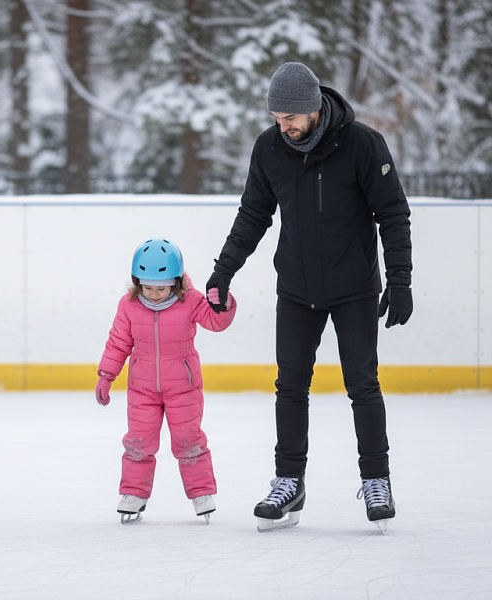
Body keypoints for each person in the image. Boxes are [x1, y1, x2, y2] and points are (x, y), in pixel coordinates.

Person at [206, 62, 412, 532]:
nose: (284, 127)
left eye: (290, 118)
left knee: (363, 385)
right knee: (290, 387)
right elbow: (252, 215)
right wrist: (223, 272)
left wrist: (400, 279)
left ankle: (376, 480)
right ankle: (288, 482)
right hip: (297, 289)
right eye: (277, 119)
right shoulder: (270, 148)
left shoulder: (362, 145)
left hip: (354, 288)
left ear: (314, 108)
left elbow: (393, 213)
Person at [96, 238, 236, 523]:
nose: (155, 294)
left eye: (161, 288)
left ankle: (201, 493)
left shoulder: (192, 301)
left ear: (177, 281)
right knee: (139, 441)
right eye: (147, 287)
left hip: (183, 387)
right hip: (142, 389)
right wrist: (106, 376)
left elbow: (216, 322)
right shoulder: (129, 305)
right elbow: (118, 343)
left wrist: (224, 302)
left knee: (189, 440)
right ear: (137, 283)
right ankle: (134, 494)